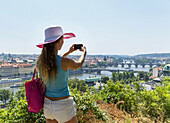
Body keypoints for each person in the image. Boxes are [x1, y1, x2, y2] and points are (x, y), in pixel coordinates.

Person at [36, 25, 87, 123]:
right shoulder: (64, 61)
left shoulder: (41, 62)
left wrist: (68, 52)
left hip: (47, 106)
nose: (63, 42)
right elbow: (78, 64)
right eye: (62, 40)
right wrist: (84, 52)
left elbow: (56, 63)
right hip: (63, 106)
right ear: (58, 42)